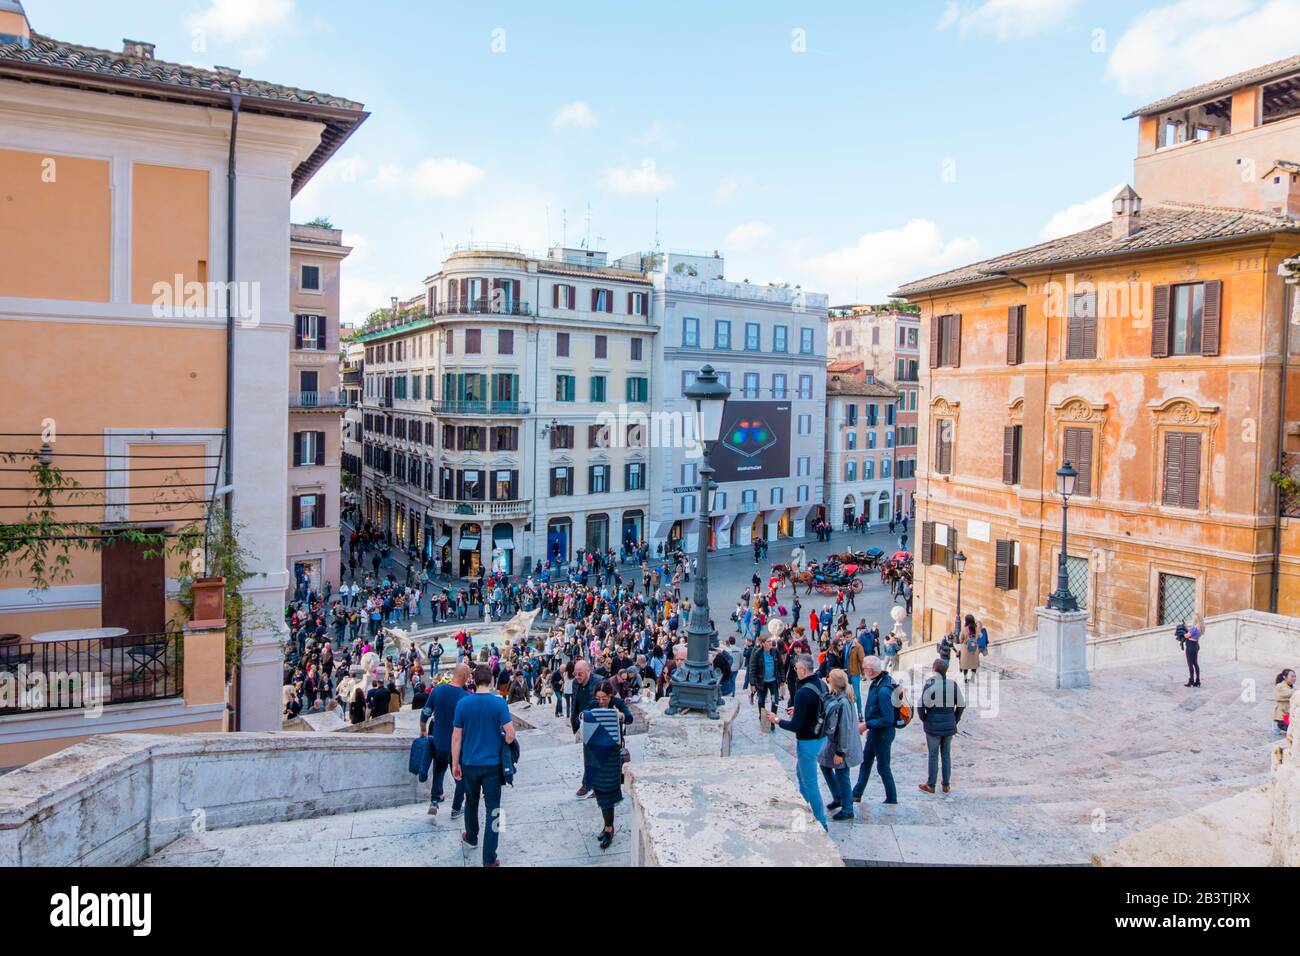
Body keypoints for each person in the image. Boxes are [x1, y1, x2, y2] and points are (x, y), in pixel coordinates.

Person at [451, 664, 517, 868]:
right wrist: (501, 742)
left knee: (471, 803)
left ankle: (471, 836)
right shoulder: (499, 704)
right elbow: (511, 734)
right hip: (492, 765)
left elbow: (456, 737)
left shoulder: (463, 703)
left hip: (469, 763)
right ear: (490, 681)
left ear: (473, 681)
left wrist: (455, 763)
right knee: (494, 810)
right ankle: (489, 858)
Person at [773, 653, 829, 830]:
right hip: (821, 737)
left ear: (803, 670)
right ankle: (804, 806)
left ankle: (821, 822)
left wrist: (776, 720)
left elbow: (795, 726)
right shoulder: (821, 683)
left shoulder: (802, 693)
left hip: (808, 741)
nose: (795, 671)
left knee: (811, 782)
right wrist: (798, 710)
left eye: (796, 669)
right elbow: (817, 707)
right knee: (800, 774)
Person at [579, 679, 632, 850]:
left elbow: (629, 718)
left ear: (610, 696)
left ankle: (609, 828)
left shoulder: (617, 703)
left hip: (611, 755)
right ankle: (607, 826)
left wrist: (620, 715)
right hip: (596, 753)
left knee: (609, 790)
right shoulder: (594, 703)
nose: (601, 701)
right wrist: (583, 715)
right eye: (599, 698)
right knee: (601, 791)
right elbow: (583, 713)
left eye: (604, 698)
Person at [421, 662, 470, 818]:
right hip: (457, 747)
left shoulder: (438, 690)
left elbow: (426, 712)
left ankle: (434, 802)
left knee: (438, 770)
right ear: (465, 677)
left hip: (438, 742)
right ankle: (456, 808)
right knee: (460, 777)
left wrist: (423, 728)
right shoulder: (466, 698)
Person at [852, 656, 898, 805]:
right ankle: (857, 793)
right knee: (866, 763)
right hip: (875, 733)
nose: (863, 671)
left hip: (882, 734)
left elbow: (888, 719)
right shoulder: (880, 682)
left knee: (883, 767)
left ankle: (892, 798)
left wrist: (866, 725)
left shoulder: (883, 690)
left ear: (870, 671)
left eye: (864, 668)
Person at [819, 669, 863, 821]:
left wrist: (841, 752)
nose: (827, 680)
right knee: (824, 765)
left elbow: (845, 728)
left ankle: (847, 809)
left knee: (842, 775)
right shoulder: (839, 696)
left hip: (842, 746)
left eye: (829, 678)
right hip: (835, 744)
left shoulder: (844, 701)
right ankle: (838, 797)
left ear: (834, 682)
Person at [917, 658, 965, 794]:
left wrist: (924, 718)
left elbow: (921, 705)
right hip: (949, 725)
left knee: (933, 755)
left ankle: (931, 785)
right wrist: (955, 719)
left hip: (932, 726)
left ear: (934, 670)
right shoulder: (953, 685)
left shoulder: (930, 684)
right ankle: (946, 785)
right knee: (946, 755)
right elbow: (961, 705)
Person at [570, 661, 601, 797]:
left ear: (588, 671)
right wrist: (574, 722)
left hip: (597, 723)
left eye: (580, 674)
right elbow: (574, 702)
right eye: (575, 674)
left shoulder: (598, 682)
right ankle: (589, 784)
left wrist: (585, 713)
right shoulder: (575, 683)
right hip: (583, 724)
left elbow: (596, 702)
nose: (577, 676)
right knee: (588, 755)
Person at [749, 636, 783, 731]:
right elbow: (752, 669)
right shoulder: (757, 653)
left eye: (771, 641)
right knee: (761, 701)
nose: (770, 643)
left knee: (775, 700)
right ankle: (763, 719)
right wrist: (752, 684)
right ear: (763, 644)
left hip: (773, 681)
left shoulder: (775, 651)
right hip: (761, 682)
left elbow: (780, 665)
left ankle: (772, 721)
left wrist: (783, 679)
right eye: (768, 642)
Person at [1275, 669, 1295, 735]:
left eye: (1295, 676)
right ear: (1284, 677)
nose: (1294, 678)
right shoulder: (1280, 686)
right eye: (1292, 676)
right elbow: (1290, 693)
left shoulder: (1292, 687)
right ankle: (1277, 727)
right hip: (1282, 716)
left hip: (1288, 715)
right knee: (1293, 733)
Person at [1183, 620, 1202, 687]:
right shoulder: (1200, 628)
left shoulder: (1194, 628)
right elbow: (1191, 632)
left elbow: (1186, 636)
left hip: (1190, 647)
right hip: (1195, 646)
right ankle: (1198, 681)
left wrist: (1182, 633)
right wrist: (1185, 626)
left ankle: (1191, 681)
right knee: (1195, 663)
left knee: (1190, 664)